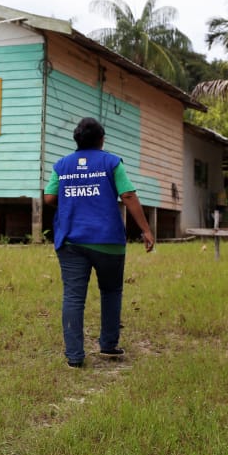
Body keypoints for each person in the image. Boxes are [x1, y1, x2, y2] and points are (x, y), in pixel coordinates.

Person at [43, 117, 155, 368]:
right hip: (107, 241)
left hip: (70, 240)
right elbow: (128, 195)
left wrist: (73, 197)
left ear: (77, 140)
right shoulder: (111, 162)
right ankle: (108, 346)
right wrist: (146, 230)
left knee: (73, 297)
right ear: (101, 140)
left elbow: (49, 197)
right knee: (111, 291)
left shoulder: (61, 165)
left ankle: (74, 357)